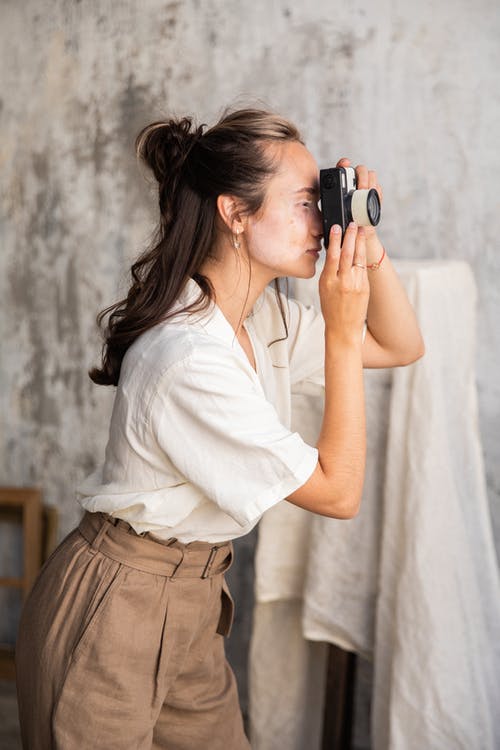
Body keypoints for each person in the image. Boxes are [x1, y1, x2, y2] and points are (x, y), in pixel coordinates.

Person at [15, 108, 424, 749]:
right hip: (115, 608)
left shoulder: (261, 319)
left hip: (196, 602)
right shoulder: (189, 355)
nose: (323, 221)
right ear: (236, 214)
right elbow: (337, 494)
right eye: (307, 203)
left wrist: (367, 245)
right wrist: (341, 332)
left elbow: (401, 344)